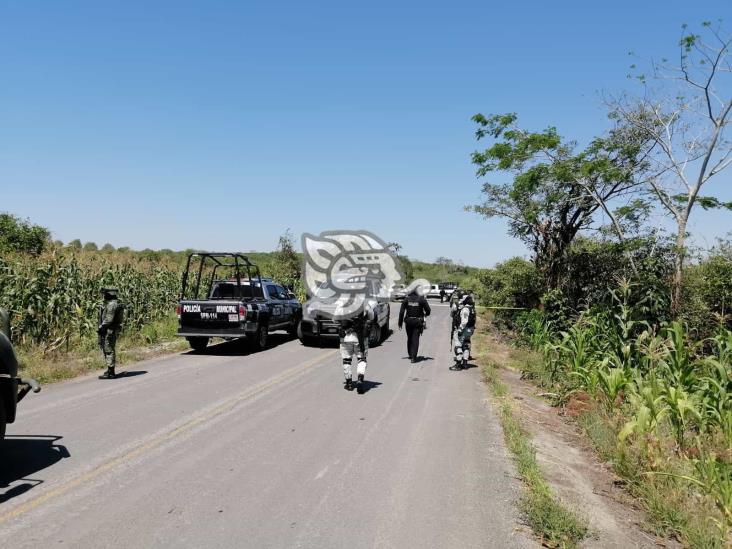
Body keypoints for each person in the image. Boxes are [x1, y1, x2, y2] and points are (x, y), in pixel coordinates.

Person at [338, 301, 375, 394]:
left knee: (346, 360)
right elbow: (371, 317)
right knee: (361, 360)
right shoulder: (364, 303)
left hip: (345, 338)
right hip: (360, 338)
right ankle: (360, 379)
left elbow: (334, 319)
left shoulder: (342, 303)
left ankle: (349, 383)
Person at [398, 285, 431, 363]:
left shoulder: (406, 299)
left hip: (408, 321)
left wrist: (400, 323)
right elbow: (428, 310)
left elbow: (402, 312)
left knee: (409, 338)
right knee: (415, 339)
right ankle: (413, 357)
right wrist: (425, 314)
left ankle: (410, 354)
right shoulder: (421, 299)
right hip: (417, 321)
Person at [97, 287, 125, 379]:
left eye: (105, 294)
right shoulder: (114, 303)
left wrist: (101, 327)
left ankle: (111, 373)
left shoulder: (112, 304)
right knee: (108, 349)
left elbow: (109, 319)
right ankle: (109, 369)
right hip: (112, 329)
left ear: (109, 295)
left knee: (108, 349)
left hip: (109, 330)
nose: (104, 296)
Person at [451, 294, 476, 370]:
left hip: (464, 330)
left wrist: (460, 330)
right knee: (466, 346)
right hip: (470, 330)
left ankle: (458, 364)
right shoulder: (472, 308)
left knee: (458, 347)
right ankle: (465, 364)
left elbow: (464, 321)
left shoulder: (465, 309)